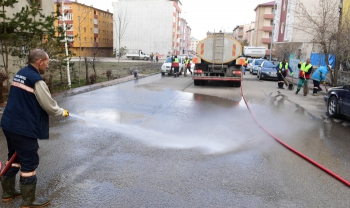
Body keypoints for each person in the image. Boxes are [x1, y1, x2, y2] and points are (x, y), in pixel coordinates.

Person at [1, 49, 69, 207]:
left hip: (9, 123)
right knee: (30, 161)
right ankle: (28, 200)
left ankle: (8, 192)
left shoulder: (21, 73)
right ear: (40, 62)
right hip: (22, 127)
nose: (47, 65)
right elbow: (49, 106)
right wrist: (62, 112)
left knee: (15, 157)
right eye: (47, 62)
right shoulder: (36, 80)